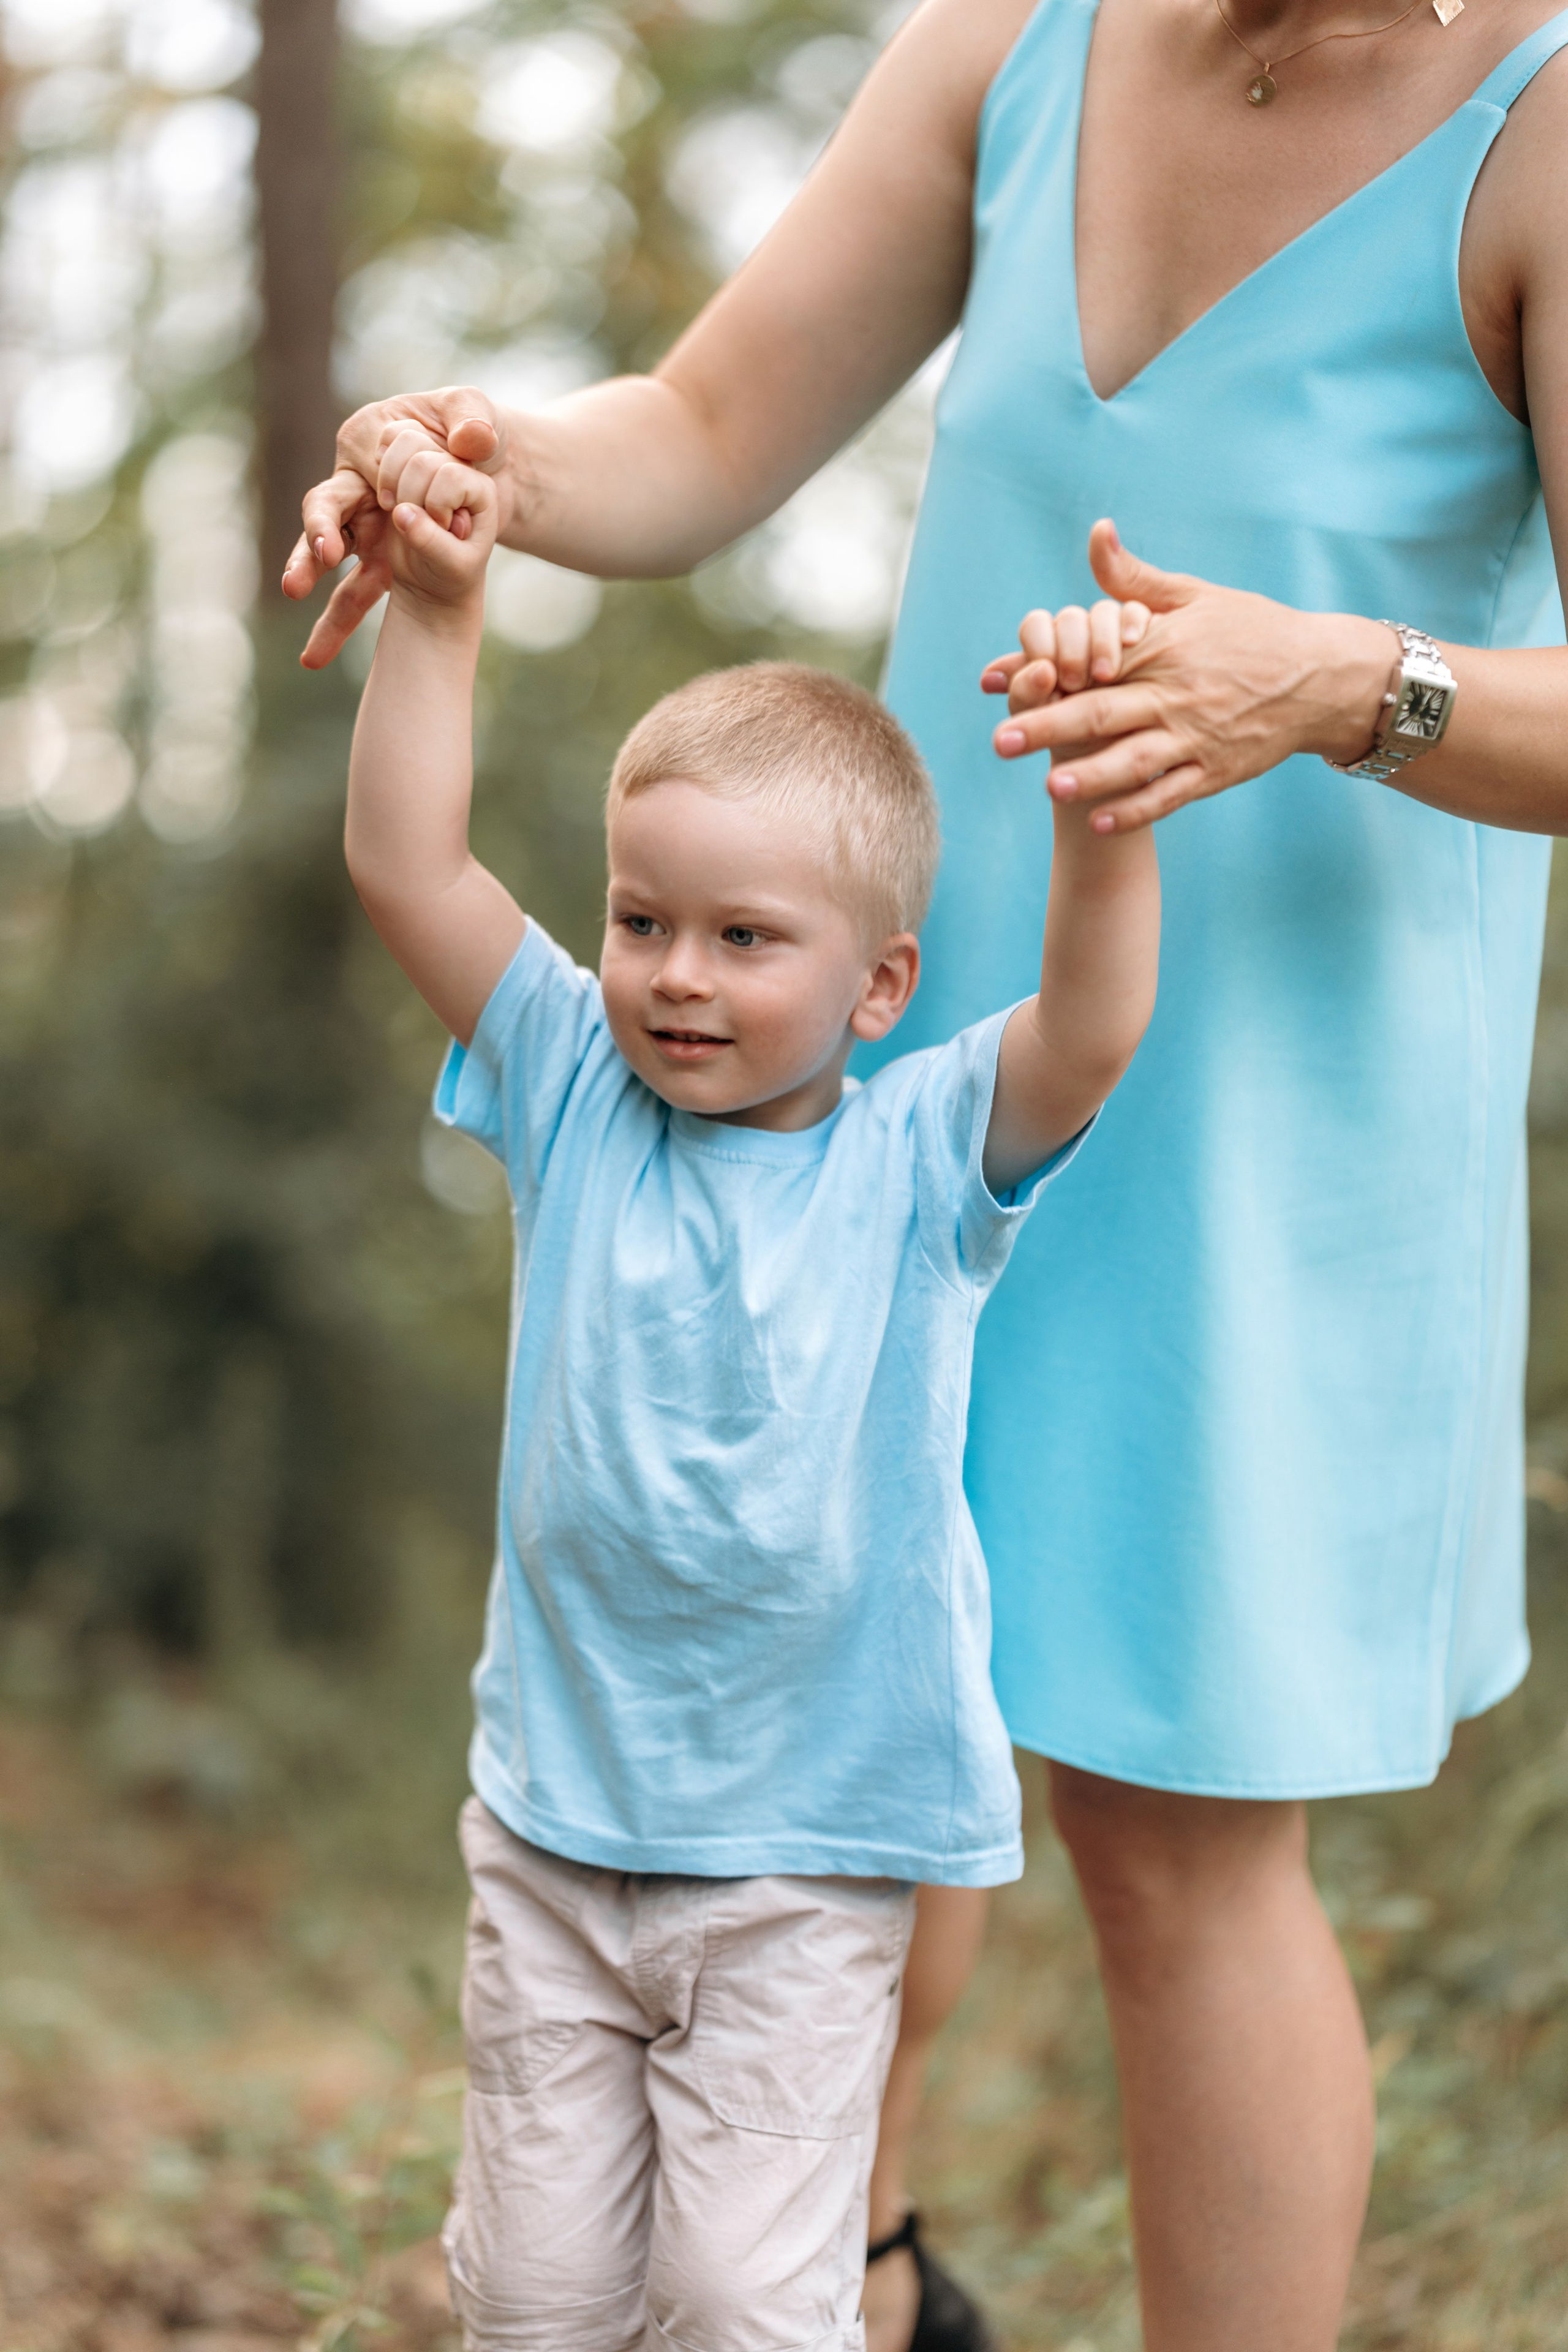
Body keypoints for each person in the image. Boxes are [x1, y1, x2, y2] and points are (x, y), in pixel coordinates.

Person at [285, 0, 1568, 2342]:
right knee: (844, 1696)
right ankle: (845, 2281)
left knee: (1176, 1838)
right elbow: (689, 433)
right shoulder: (1018, 38)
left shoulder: (1545, 123)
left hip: (1277, 1108)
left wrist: (1347, 680)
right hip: (890, 1060)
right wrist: (483, 463)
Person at [337, 448, 1159, 2350]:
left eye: (743, 940)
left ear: (879, 985)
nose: (673, 979)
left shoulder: (923, 1161)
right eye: (642, 922)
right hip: (559, 1831)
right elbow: (408, 860)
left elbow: (1094, 1028)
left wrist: (1110, 806)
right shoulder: (565, 1085)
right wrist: (443, 612)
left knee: (739, 2298)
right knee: (539, 2296)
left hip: (807, 1857)